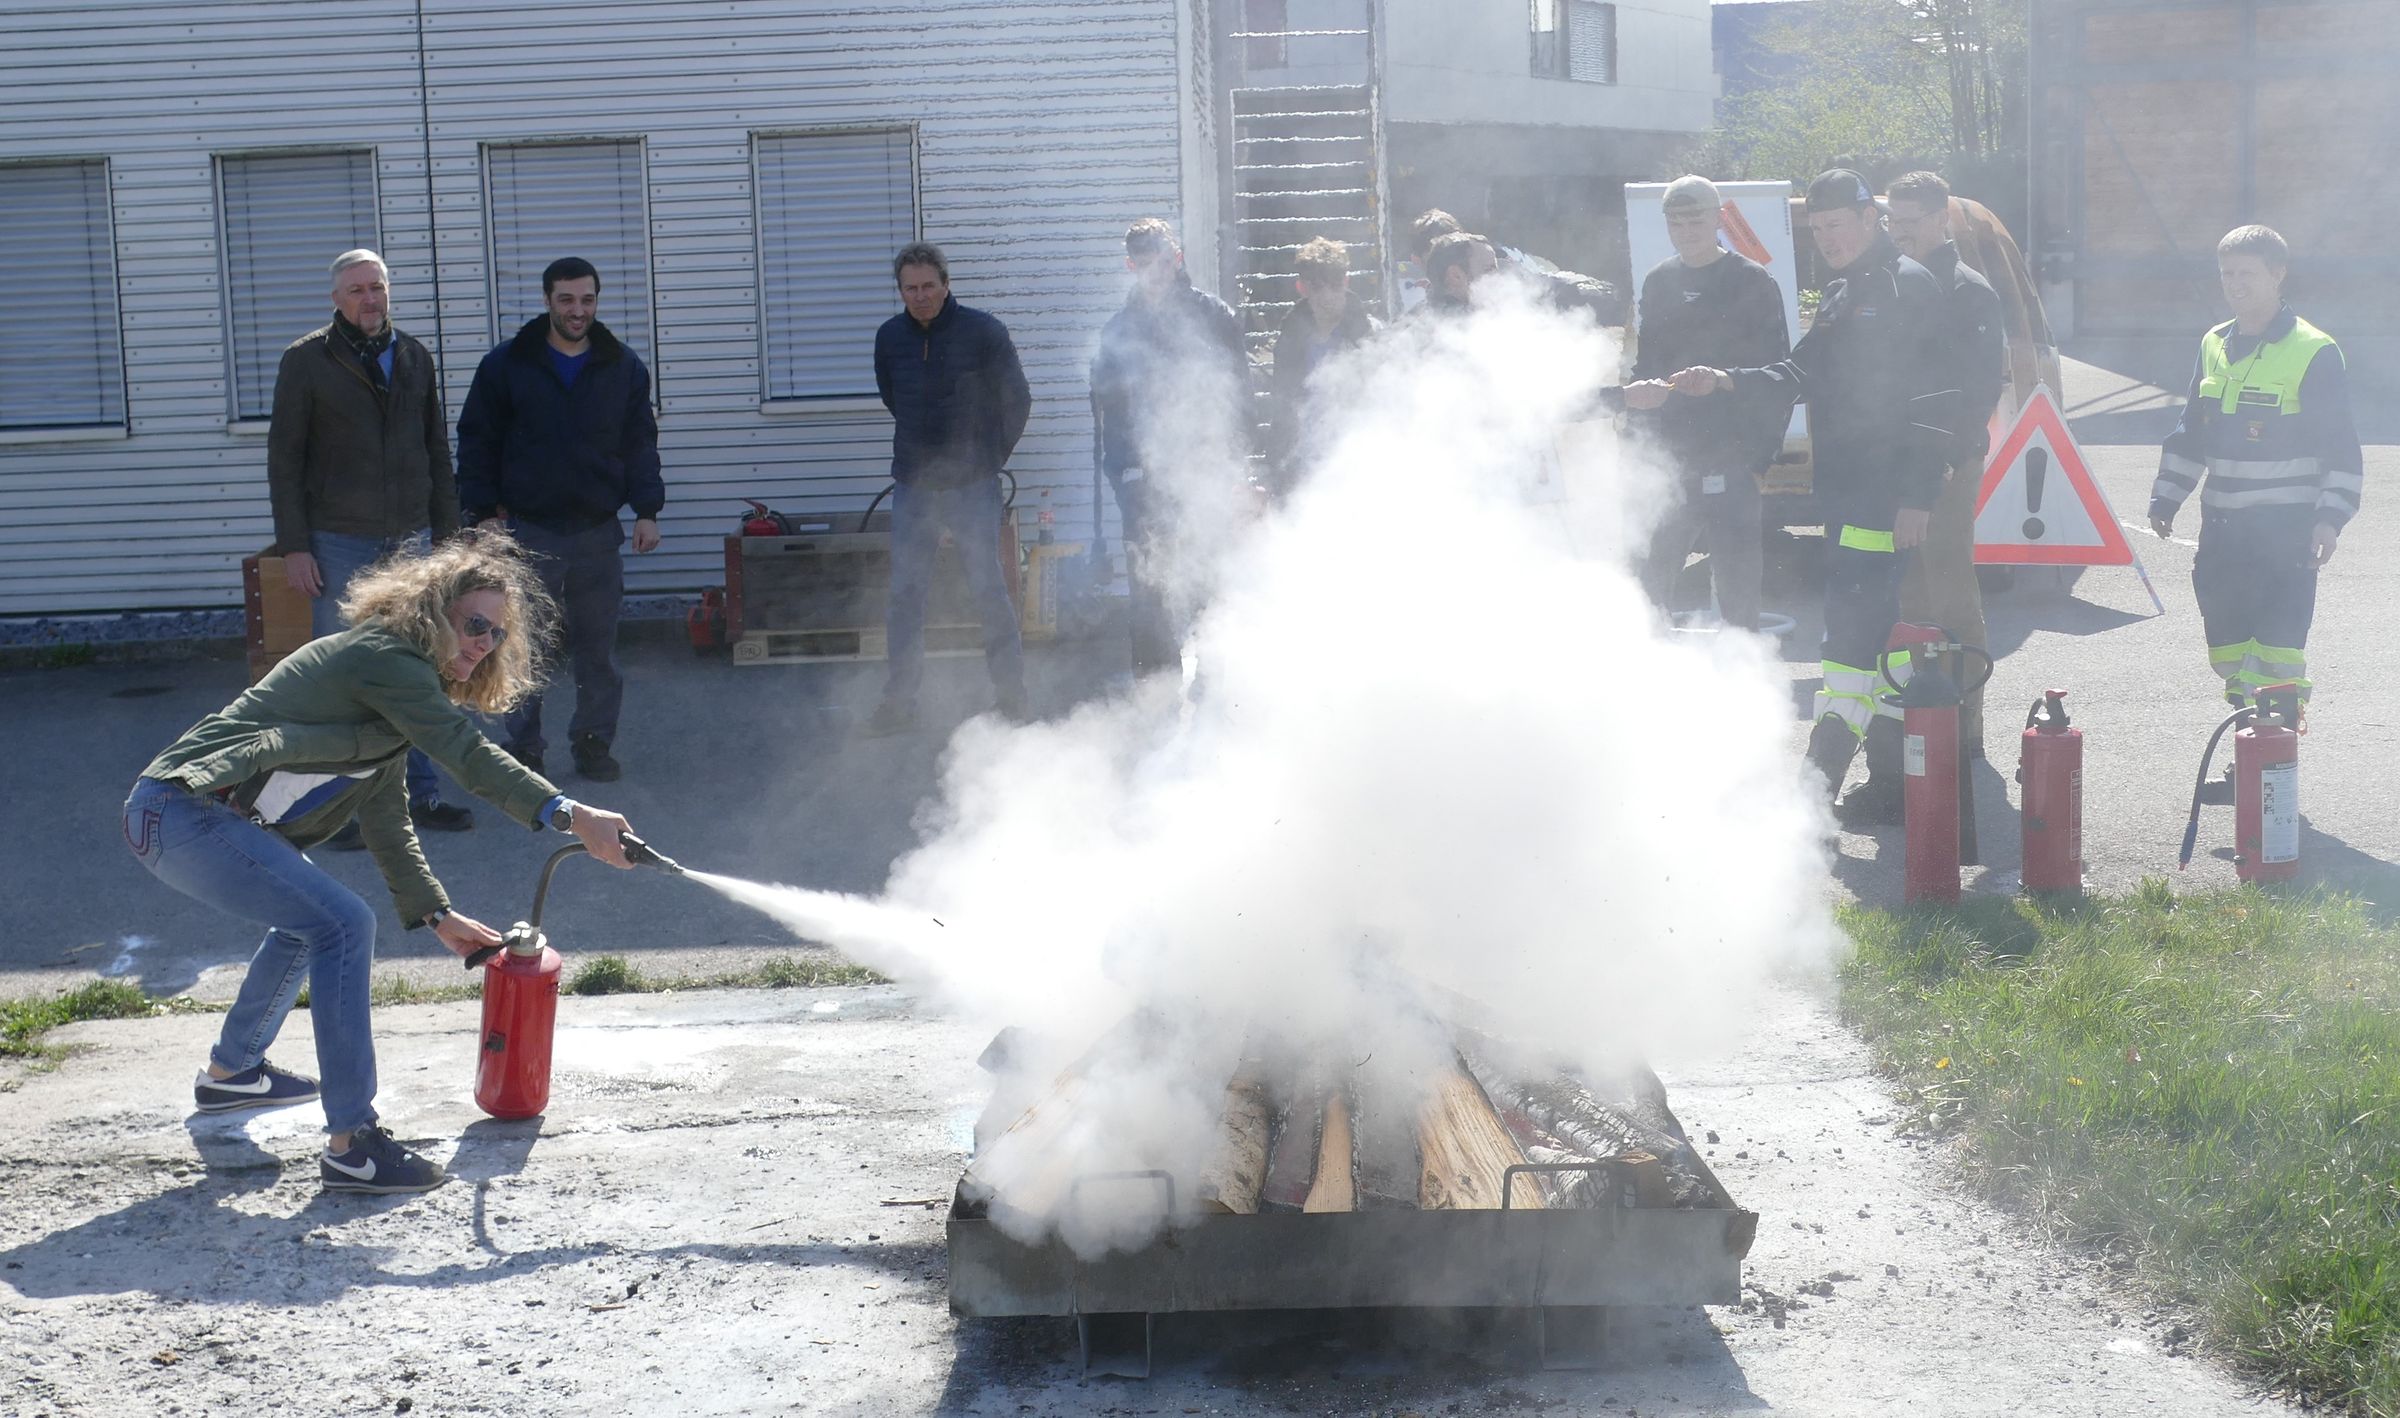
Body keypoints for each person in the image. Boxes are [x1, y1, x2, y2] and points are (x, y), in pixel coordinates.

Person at [122, 534, 642, 1194]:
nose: (483, 643)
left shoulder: (396, 691)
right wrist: (572, 814)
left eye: (497, 633)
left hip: (183, 817)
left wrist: (435, 913)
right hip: (180, 810)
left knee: (308, 921)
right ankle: (352, 1144)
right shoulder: (385, 658)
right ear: (433, 611)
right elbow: (469, 758)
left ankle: (232, 1076)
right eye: (474, 624)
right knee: (342, 924)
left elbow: (388, 816)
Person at [1667, 169, 1957, 817]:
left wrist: (1918, 495)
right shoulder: (1841, 291)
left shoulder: (1908, 287)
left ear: (1870, 217)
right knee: (1877, 644)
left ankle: (1812, 793)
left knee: (1848, 646)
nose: (1827, 238)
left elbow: (1938, 403)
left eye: (1837, 225)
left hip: (1884, 498)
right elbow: (1798, 371)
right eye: (1817, 229)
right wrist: (1724, 380)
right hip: (1846, 493)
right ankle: (1893, 790)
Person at [266, 249, 470, 838]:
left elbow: (435, 450)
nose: (368, 299)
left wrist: (449, 539)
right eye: (356, 290)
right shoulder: (306, 361)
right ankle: (337, 810)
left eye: (376, 287)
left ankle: (421, 797)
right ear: (336, 299)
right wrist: (295, 546)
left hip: (410, 540)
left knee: (420, 669)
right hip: (338, 541)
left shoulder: (412, 356)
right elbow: (285, 460)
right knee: (341, 678)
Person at [2151, 224, 2361, 742]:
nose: (2235, 284)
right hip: (2223, 530)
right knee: (2227, 643)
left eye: (2247, 273)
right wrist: (2166, 497)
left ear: (2278, 273)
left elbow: (2340, 446)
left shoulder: (2314, 350)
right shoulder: (2213, 343)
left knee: (2279, 646)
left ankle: (2275, 761)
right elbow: (2190, 432)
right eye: (2227, 273)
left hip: (2285, 533)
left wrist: (2329, 519)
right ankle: (2251, 745)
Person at [457, 257, 664, 782]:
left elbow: (640, 442)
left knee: (598, 650)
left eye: (587, 299)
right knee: (522, 645)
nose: (578, 310)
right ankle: (524, 748)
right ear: (548, 299)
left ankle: (593, 743)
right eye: (567, 300)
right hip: (528, 531)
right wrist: (482, 513)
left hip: (597, 531)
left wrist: (647, 510)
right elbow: (478, 439)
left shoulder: (623, 367)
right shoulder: (507, 366)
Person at [863, 241, 1034, 734]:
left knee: (987, 589)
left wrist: (987, 459)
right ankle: (899, 702)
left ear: (946, 284)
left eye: (928, 287)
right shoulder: (889, 337)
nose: (920, 297)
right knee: (904, 595)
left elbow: (1017, 401)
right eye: (910, 289)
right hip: (914, 486)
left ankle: (1011, 696)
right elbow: (892, 395)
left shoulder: (983, 332)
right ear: (900, 291)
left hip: (972, 485)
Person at [1628, 175, 1790, 633]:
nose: (1685, 229)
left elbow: (1777, 377)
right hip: (1672, 460)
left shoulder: (1751, 281)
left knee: (1738, 588)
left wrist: (1761, 459)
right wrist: (1640, 449)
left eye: (1694, 218)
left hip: (1735, 456)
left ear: (1718, 218)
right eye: (1674, 221)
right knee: (1652, 577)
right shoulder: (1659, 281)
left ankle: (1744, 682)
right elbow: (1647, 366)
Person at [1089, 219, 1249, 678]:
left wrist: (1236, 471)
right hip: (1142, 479)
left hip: (1205, 473)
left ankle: (1220, 685)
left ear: (1177, 257)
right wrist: (1123, 474)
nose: (1157, 271)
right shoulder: (1117, 331)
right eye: (1145, 263)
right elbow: (1111, 412)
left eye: (1164, 259)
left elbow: (1239, 398)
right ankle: (1155, 692)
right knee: (1149, 588)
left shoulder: (1214, 317)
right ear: (1130, 266)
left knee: (1208, 578)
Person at [1884, 171, 2006, 771]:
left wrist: (1950, 462)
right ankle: (1921, 717)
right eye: (1891, 220)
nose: (1898, 231)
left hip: (1949, 464)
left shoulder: (1968, 290)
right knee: (1910, 594)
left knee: (1950, 589)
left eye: (1910, 220)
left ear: (1940, 221)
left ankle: (1965, 729)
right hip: (1897, 462)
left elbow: (1979, 389)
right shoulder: (1892, 281)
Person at [1266, 236, 1380, 494]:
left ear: (1346, 282)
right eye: (1317, 287)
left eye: (1334, 285)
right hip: (1302, 470)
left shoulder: (1369, 334)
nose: (1327, 295)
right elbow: (1281, 410)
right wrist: (1275, 470)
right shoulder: (1289, 339)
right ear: (1302, 288)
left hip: (1357, 467)